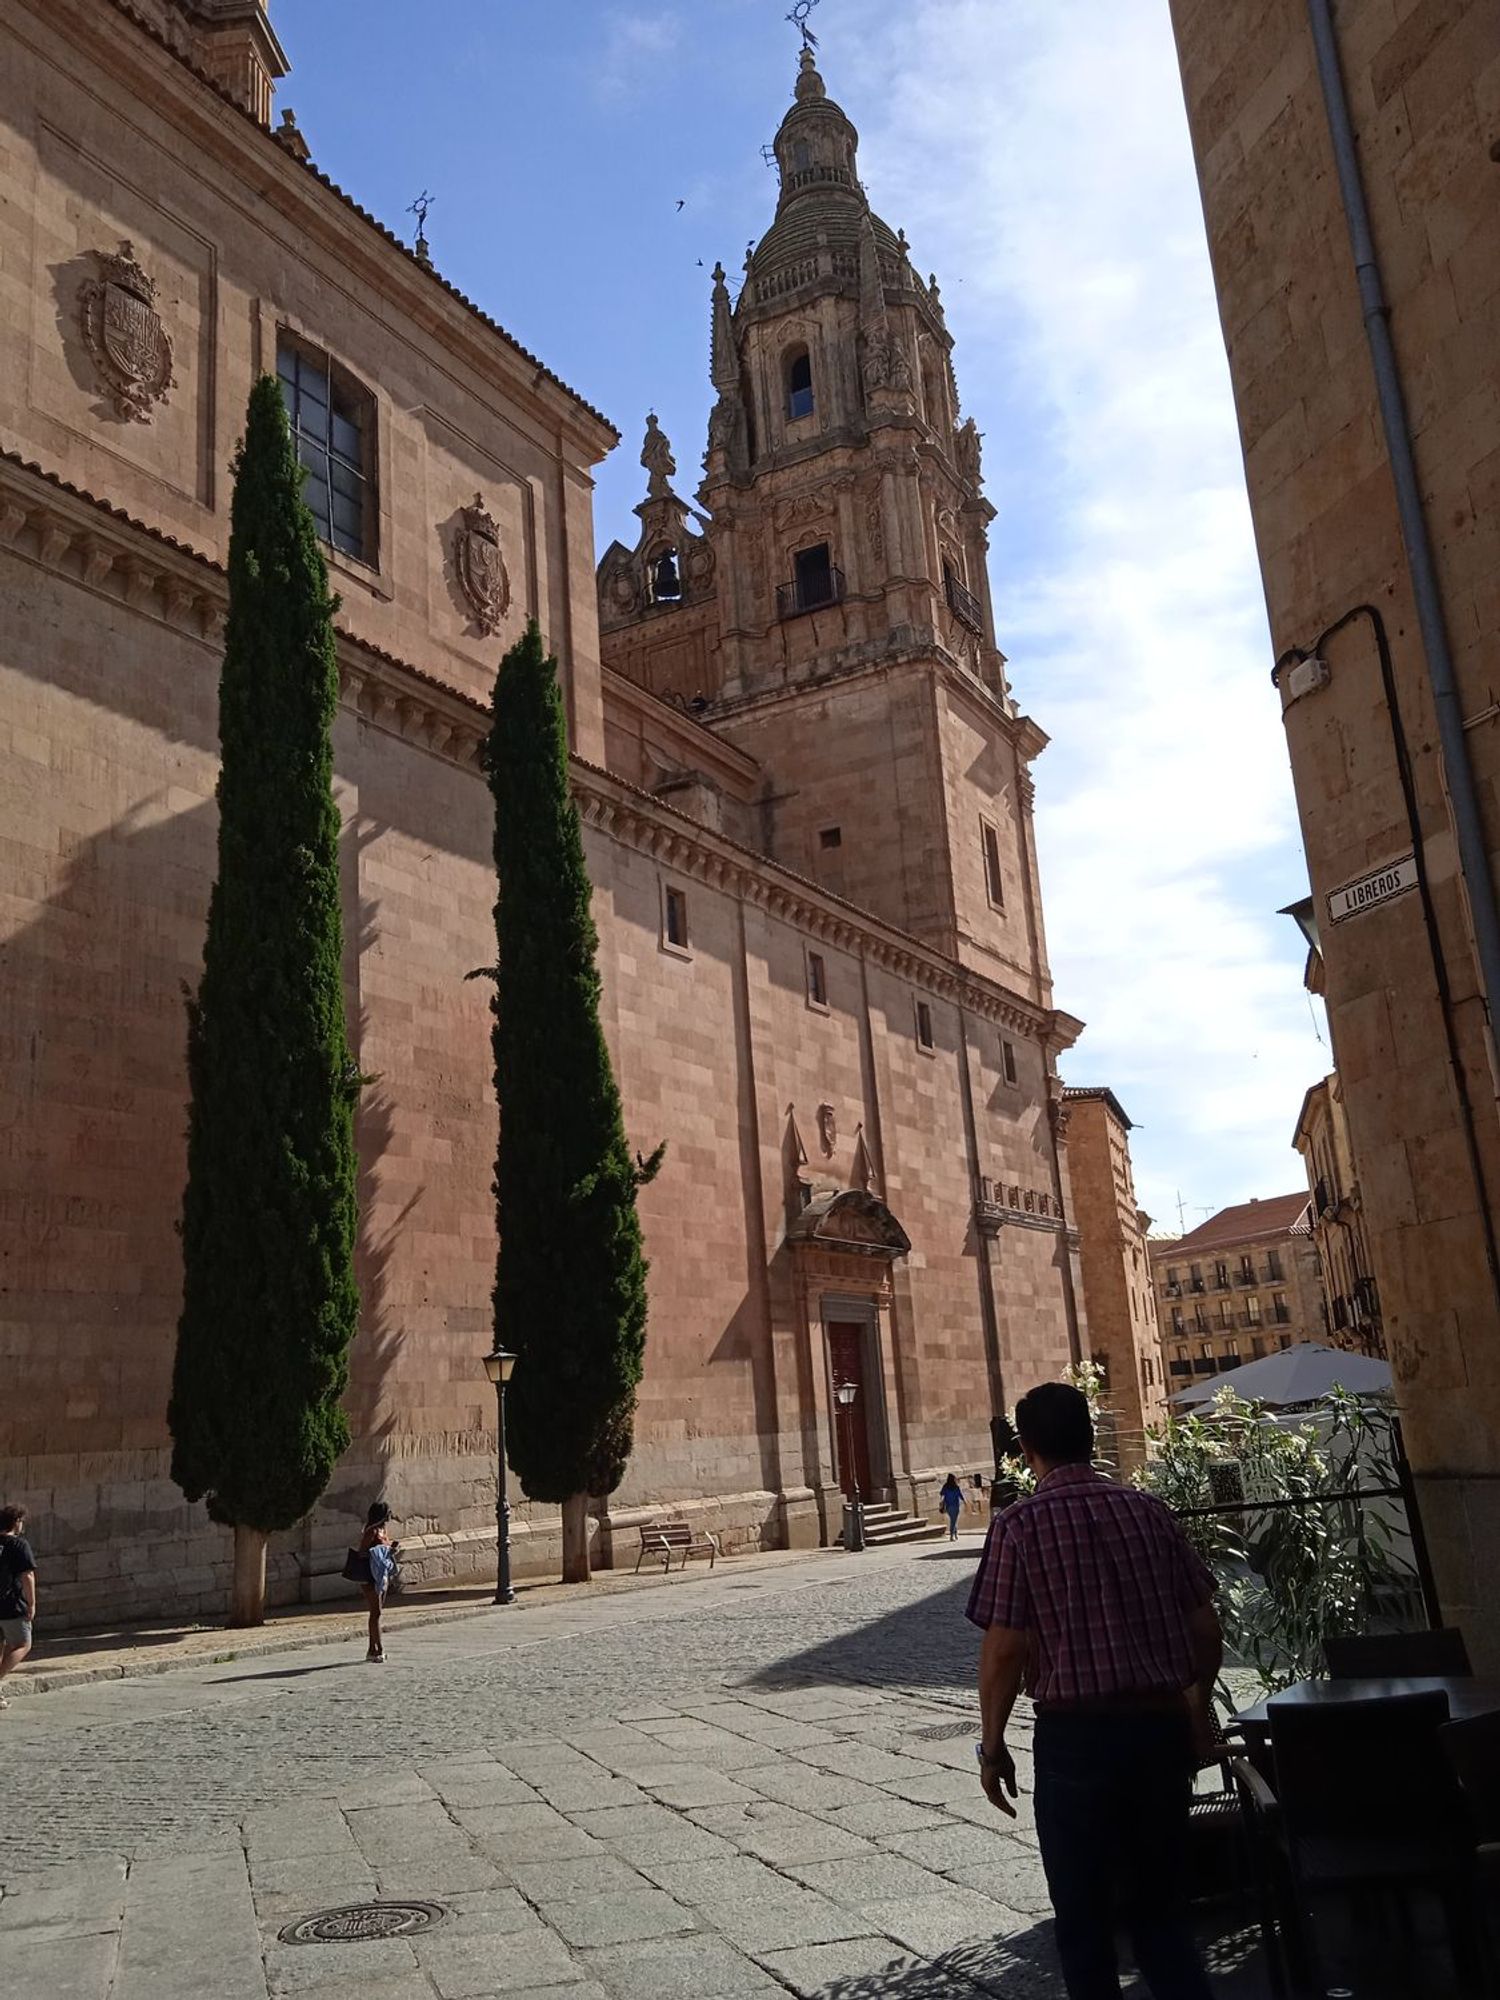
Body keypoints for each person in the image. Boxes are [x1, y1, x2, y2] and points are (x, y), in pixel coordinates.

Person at [967, 1382, 1220, 2000]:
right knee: (1163, 1911)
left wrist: (992, 1744)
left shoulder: (1019, 1526)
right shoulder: (1148, 1510)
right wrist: (1195, 1706)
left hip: (1076, 1739)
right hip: (1159, 1730)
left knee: (1083, 1919)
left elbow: (1005, 1648)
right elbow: (1204, 1625)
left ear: (1024, 1447)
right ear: (1090, 1437)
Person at [0, 1504, 37, 1708]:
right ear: (16, 1522)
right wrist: (31, 1604)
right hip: (10, 1605)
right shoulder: (19, 1545)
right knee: (23, 1644)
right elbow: (27, 1575)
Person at [354, 1502, 395, 1663]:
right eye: (388, 1513)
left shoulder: (383, 1531)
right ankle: (377, 1648)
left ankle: (373, 1648)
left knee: (378, 1612)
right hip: (370, 1575)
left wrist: (390, 1549)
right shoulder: (371, 1531)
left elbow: (385, 1546)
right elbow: (362, 1552)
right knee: (375, 1612)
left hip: (381, 1573)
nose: (391, 1515)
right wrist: (378, 1552)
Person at [938, 1474, 965, 1540]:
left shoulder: (945, 1486)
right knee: (954, 1520)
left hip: (948, 1506)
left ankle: (955, 1534)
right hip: (955, 1505)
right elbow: (960, 1496)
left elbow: (941, 1494)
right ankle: (952, 1535)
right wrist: (965, 1501)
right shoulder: (956, 1487)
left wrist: (941, 1502)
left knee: (953, 1520)